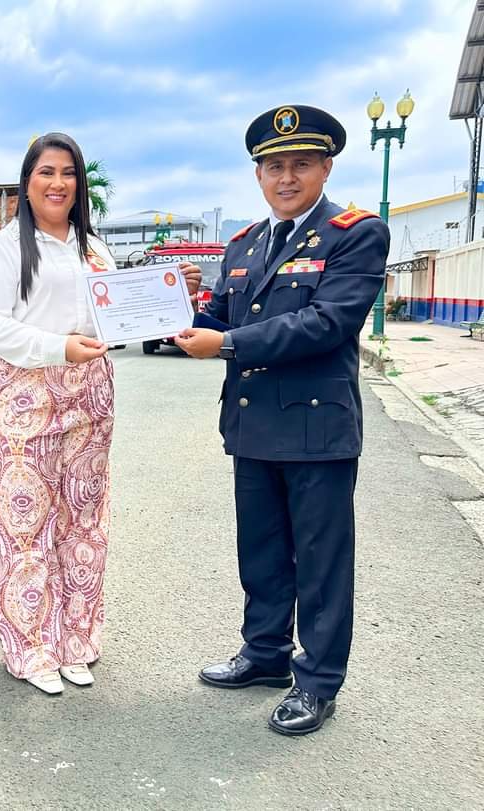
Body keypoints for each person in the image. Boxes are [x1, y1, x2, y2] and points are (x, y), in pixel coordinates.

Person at [176, 105, 390, 735]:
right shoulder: (245, 243)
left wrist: (226, 343)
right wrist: (182, 302)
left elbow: (326, 323)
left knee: (320, 561)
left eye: (301, 164)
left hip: (317, 430)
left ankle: (318, 682)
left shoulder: (354, 234)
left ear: (325, 168)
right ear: (258, 175)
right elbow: (223, 319)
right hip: (252, 425)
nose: (287, 177)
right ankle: (266, 653)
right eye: (274, 167)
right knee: (263, 550)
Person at [0, 133, 199, 694]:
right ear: (27, 181)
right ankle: (31, 648)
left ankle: (76, 640)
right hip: (25, 397)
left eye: (69, 173)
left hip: (90, 394)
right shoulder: (2, 248)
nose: (58, 183)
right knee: (23, 524)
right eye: (46, 172)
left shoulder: (95, 250)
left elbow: (117, 319)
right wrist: (57, 347)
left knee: (84, 522)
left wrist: (172, 294)